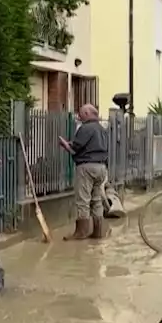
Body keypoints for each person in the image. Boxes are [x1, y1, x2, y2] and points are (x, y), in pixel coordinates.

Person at [58, 103, 109, 240]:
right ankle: (98, 232)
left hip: (87, 167)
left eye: (80, 113)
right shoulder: (102, 129)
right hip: (101, 167)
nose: (78, 116)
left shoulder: (85, 128)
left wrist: (65, 145)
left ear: (87, 113)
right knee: (96, 200)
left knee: (83, 200)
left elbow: (76, 147)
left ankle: (81, 232)